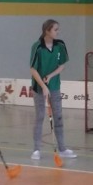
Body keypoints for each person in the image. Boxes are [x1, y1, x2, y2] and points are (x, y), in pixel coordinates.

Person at [29, 19, 77, 161]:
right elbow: (33, 69)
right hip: (39, 87)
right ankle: (36, 150)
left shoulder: (60, 45)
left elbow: (62, 66)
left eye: (58, 29)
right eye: (55, 29)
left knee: (59, 117)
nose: (58, 32)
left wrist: (50, 76)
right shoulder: (37, 47)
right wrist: (43, 86)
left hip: (55, 85)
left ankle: (62, 149)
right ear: (47, 31)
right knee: (39, 117)